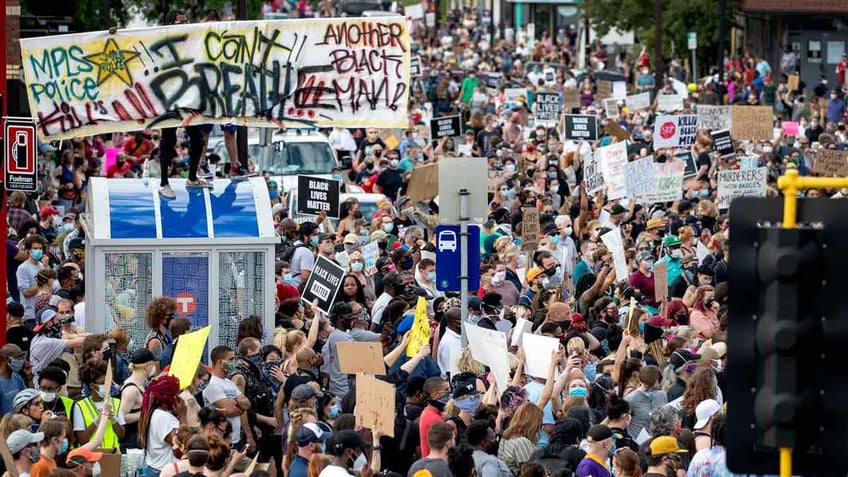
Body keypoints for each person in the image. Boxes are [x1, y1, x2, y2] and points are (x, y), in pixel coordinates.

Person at [203, 346, 251, 447]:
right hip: (220, 440)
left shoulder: (229, 382)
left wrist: (237, 404)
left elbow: (247, 404)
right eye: (231, 359)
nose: (234, 363)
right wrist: (240, 406)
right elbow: (230, 411)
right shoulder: (213, 385)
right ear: (220, 362)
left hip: (235, 438)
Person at [73, 360, 125, 450]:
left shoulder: (116, 403)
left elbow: (122, 435)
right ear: (92, 386)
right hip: (91, 456)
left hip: (113, 454)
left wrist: (114, 421)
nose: (108, 385)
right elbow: (81, 439)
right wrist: (98, 420)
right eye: (104, 382)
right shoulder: (80, 406)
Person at [139, 375, 182, 476]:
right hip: (164, 471)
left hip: (154, 468)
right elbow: (179, 445)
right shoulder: (165, 418)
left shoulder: (154, 413)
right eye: (177, 394)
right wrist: (183, 415)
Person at [119, 348, 157, 450]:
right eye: (153, 364)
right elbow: (122, 417)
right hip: (130, 442)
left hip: (139, 438)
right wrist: (145, 413)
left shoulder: (142, 384)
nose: (154, 367)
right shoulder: (131, 390)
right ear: (146, 366)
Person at [499, 403, 544, 475]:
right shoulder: (522, 442)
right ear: (533, 423)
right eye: (540, 424)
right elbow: (531, 473)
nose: (541, 428)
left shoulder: (505, 438)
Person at [17, 235, 47, 324]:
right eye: (35, 248)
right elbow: (26, 292)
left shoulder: (41, 266)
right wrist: (43, 278)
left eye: (40, 248)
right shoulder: (23, 268)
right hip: (30, 315)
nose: (38, 251)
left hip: (43, 313)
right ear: (29, 250)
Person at [419, 377, 450, 457]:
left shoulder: (430, 412)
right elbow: (453, 432)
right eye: (446, 390)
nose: (449, 392)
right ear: (435, 395)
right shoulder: (432, 417)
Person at [145, 297, 177, 361]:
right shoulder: (155, 341)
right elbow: (156, 366)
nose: (173, 318)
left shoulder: (165, 337)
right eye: (169, 315)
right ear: (159, 317)